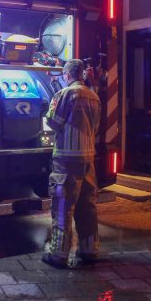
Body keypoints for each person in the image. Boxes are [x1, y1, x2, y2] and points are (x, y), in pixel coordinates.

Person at [43, 59, 102, 268]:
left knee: (63, 206)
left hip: (66, 161)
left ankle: (58, 254)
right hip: (88, 159)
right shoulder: (94, 97)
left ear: (67, 75)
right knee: (87, 206)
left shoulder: (65, 94)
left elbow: (53, 122)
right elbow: (96, 127)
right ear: (82, 74)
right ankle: (89, 250)